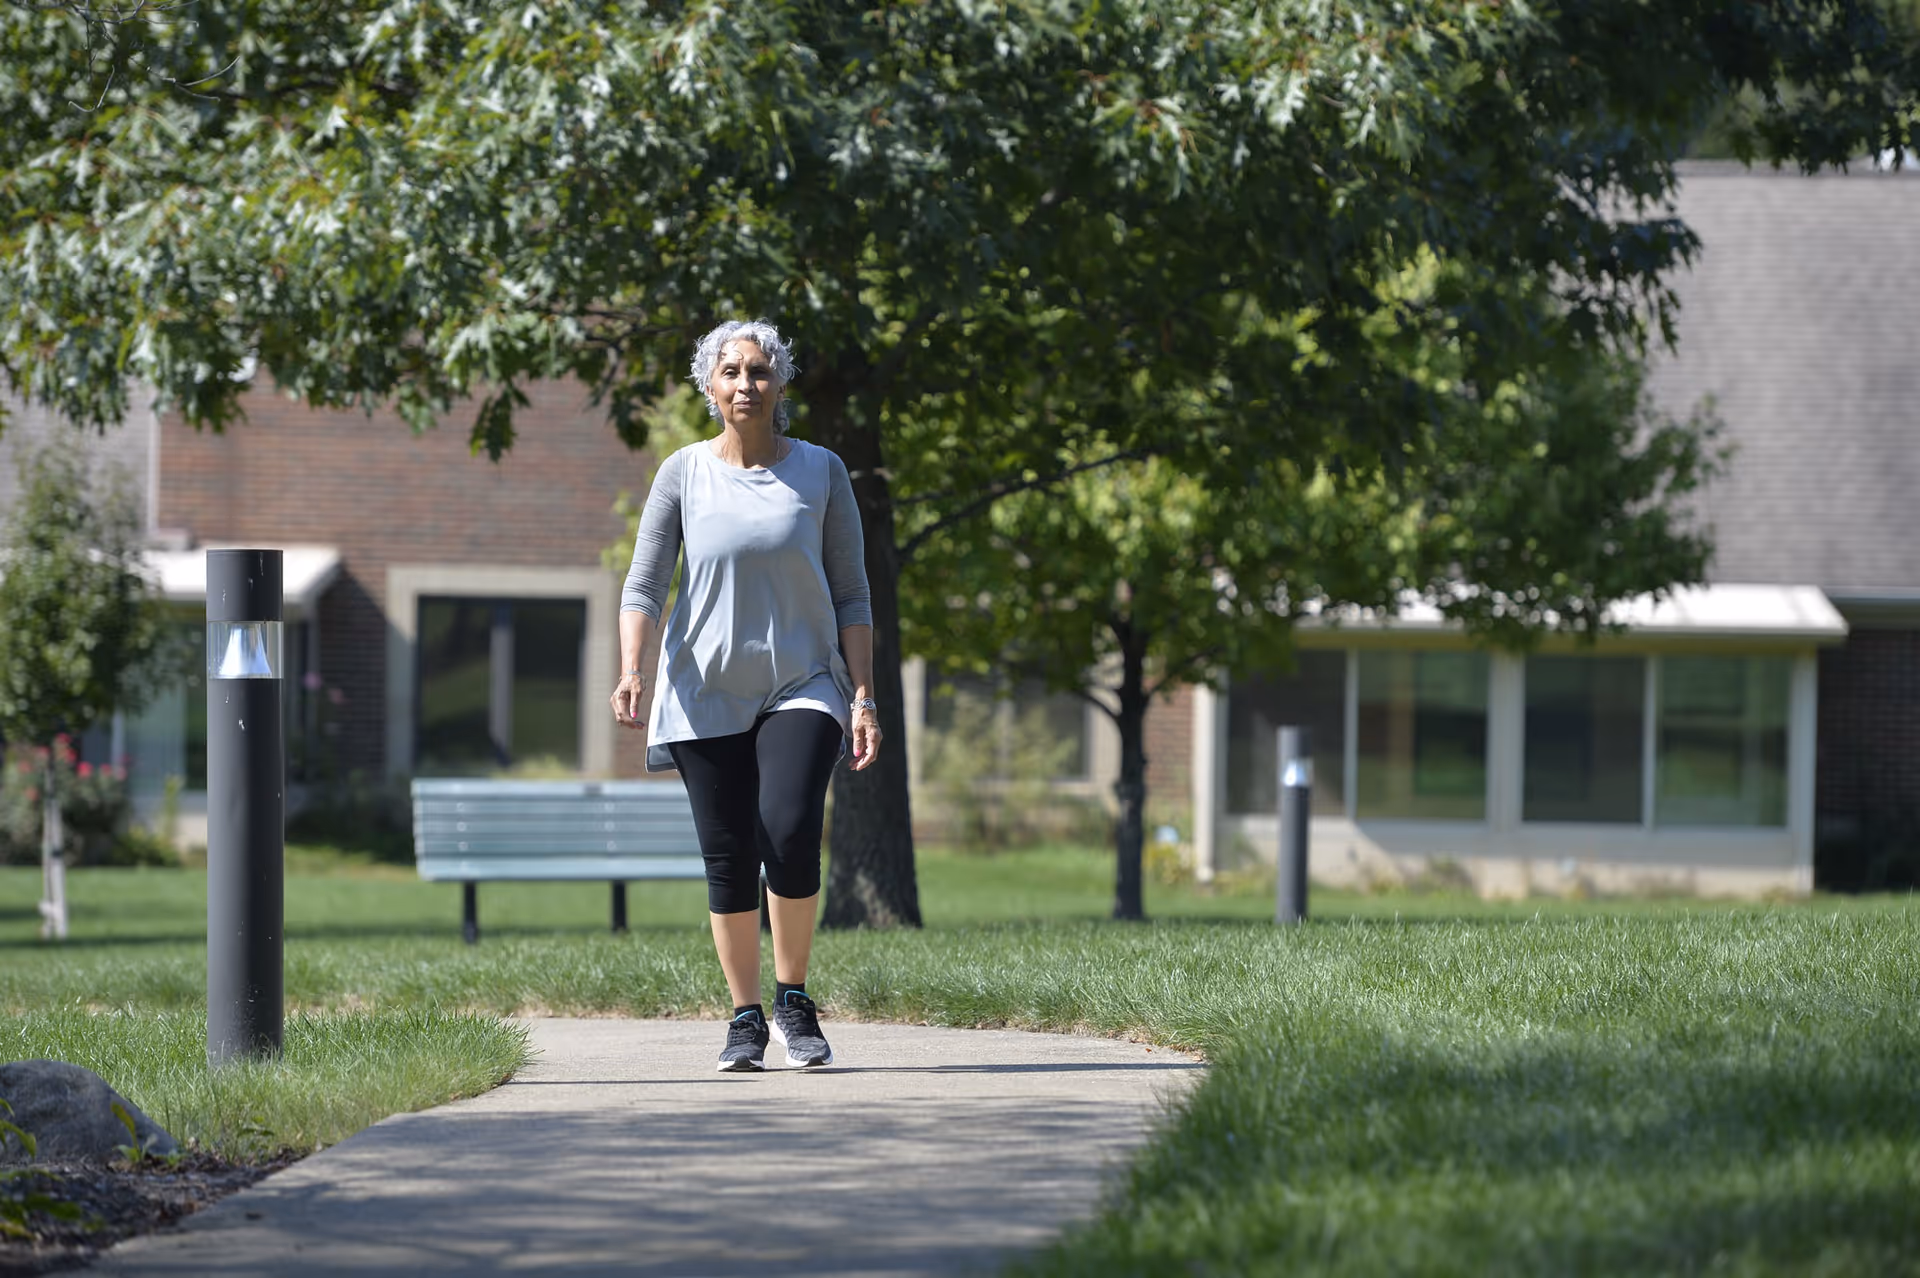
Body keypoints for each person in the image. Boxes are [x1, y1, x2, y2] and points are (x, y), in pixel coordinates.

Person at [612, 319, 880, 1072]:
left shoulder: (822, 472)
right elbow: (645, 583)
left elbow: (853, 592)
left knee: (789, 829)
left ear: (781, 385)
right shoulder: (683, 473)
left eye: (759, 372)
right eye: (730, 371)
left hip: (803, 683)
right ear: (708, 387)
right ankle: (744, 1016)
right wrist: (634, 667)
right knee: (728, 858)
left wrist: (862, 695)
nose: (745, 384)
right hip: (704, 689)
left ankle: (794, 998)